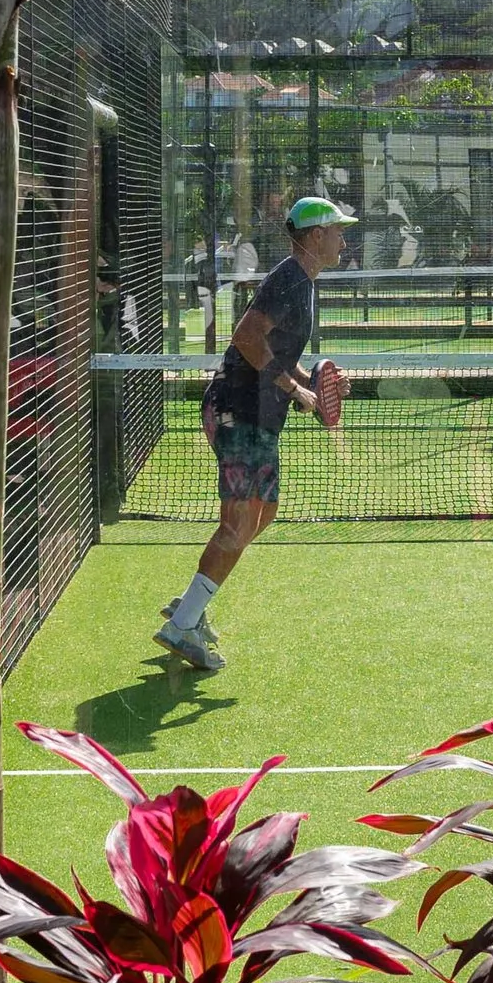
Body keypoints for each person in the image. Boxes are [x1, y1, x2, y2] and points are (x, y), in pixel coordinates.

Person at [155, 194, 354, 672]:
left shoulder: (303, 283)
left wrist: (316, 384)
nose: (344, 239)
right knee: (239, 522)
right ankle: (182, 625)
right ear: (314, 237)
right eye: (337, 231)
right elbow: (245, 335)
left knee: (262, 514)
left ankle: (189, 607)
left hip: (258, 416)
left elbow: (278, 355)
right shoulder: (289, 278)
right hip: (236, 411)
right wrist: (293, 387)